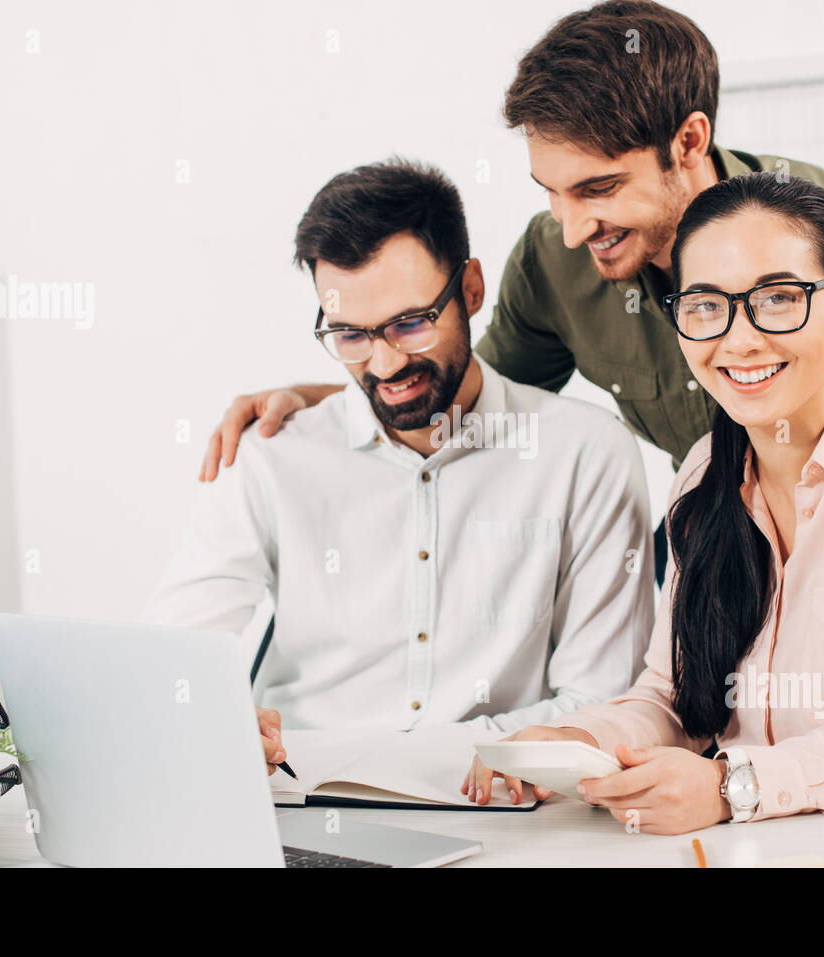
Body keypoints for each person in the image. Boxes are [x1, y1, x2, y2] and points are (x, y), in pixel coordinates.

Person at [199, 1, 824, 517]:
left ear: (689, 142)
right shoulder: (557, 258)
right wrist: (342, 392)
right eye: (551, 192)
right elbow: (486, 403)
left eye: (598, 190)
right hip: (715, 569)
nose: (571, 229)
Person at [460, 172, 824, 830]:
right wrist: (579, 738)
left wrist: (736, 785)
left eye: (779, 298)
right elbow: (671, 702)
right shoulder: (702, 475)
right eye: (705, 306)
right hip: (768, 845)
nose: (741, 338)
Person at [141, 159, 655, 773]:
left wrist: (398, 757)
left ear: (470, 290)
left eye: (410, 324)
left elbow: (600, 705)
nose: (384, 366)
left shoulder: (586, 455)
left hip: (499, 804)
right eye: (350, 336)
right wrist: (210, 718)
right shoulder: (270, 456)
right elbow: (168, 663)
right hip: (294, 798)